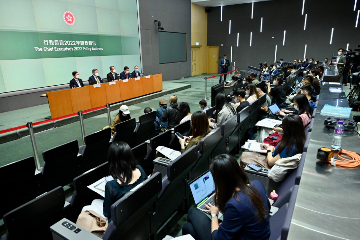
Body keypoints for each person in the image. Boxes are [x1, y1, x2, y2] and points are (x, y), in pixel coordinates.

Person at [182, 154, 270, 240]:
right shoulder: (257, 184)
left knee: (192, 212)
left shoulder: (234, 205)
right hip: (261, 235)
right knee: (188, 228)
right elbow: (267, 208)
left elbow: (217, 238)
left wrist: (214, 214)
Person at [103, 141, 147, 221]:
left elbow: (107, 213)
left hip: (121, 221)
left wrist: (108, 189)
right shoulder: (140, 169)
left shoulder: (111, 186)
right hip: (142, 213)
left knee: (90, 206)